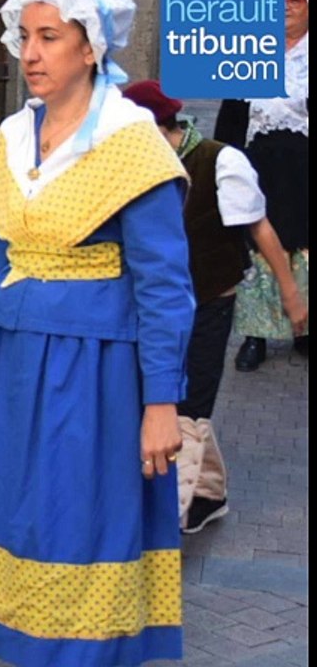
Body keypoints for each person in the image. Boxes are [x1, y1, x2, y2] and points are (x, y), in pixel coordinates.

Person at [0, 0, 194, 666]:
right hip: (14, 361)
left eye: (50, 37)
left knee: (76, 522)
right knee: (13, 514)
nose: (32, 53)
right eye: (25, 36)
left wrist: (161, 402)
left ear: (91, 47)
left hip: (96, 369)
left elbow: (164, 287)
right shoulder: (12, 140)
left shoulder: (131, 145)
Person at [123, 80, 308, 534]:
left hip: (210, 303)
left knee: (188, 406)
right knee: (171, 403)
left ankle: (166, 517)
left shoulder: (219, 160)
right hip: (152, 307)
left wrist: (291, 293)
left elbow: (260, 228)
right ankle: (207, 494)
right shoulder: (130, 168)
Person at [218, 0, 309, 371]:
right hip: (258, 158)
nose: (287, 4)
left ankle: (303, 330)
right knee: (256, 242)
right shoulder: (250, 46)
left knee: (303, 246)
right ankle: (254, 335)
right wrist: (223, 157)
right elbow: (231, 113)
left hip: (303, 164)